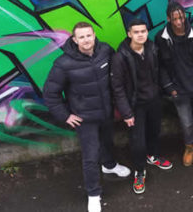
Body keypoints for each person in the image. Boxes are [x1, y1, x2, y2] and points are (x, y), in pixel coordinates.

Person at [43, 22, 130, 212]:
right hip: (84, 119)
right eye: (81, 37)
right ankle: (93, 194)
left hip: (106, 112)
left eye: (89, 35)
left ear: (94, 35)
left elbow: (117, 76)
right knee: (90, 157)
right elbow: (50, 94)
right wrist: (65, 115)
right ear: (74, 39)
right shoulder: (63, 64)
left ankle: (109, 165)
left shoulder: (105, 50)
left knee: (108, 143)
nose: (86, 40)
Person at [110, 19, 172, 194]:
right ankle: (139, 171)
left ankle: (152, 156)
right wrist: (126, 112)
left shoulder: (152, 49)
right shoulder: (120, 56)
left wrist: (164, 90)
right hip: (134, 106)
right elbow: (118, 88)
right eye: (136, 32)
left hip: (153, 100)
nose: (140, 35)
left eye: (143, 31)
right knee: (137, 141)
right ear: (129, 34)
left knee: (154, 132)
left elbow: (159, 72)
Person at [156, 3, 193, 167]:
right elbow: (160, 65)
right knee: (187, 123)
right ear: (168, 19)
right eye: (174, 19)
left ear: (185, 16)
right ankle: (189, 148)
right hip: (178, 91)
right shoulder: (161, 38)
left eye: (181, 17)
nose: (178, 22)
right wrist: (170, 88)